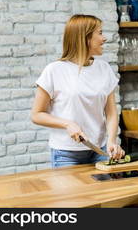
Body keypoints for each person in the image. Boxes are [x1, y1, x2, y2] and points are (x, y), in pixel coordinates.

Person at [31, 14, 125, 168]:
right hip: (66, 153)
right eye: (100, 33)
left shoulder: (104, 69)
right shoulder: (54, 70)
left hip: (99, 150)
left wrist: (111, 141)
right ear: (85, 38)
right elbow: (36, 115)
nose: (104, 38)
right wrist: (67, 124)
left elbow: (111, 113)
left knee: (104, 193)